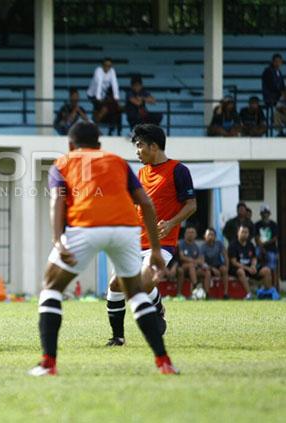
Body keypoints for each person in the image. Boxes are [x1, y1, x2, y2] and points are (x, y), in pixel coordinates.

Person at [30, 122, 178, 377]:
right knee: (135, 293)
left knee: (50, 288)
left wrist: (57, 240)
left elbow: (57, 200)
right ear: (99, 145)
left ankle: (48, 363)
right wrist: (155, 249)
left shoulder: (64, 162)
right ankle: (164, 362)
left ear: (70, 144)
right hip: (127, 229)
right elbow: (145, 202)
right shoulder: (118, 161)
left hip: (84, 226)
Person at [105, 124, 196, 346]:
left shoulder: (178, 170)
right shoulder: (141, 173)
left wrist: (173, 222)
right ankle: (118, 338)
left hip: (162, 244)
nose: (137, 151)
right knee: (116, 286)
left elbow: (192, 204)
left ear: (153, 146)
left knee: (140, 285)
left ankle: (156, 307)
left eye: (139, 146)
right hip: (135, 242)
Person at [228, 225, 276, 299]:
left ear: (248, 234)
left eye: (246, 232)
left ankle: (267, 293)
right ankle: (249, 294)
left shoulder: (250, 245)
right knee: (241, 271)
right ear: (238, 233)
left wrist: (253, 266)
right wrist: (248, 268)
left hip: (250, 267)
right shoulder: (232, 245)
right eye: (242, 232)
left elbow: (254, 258)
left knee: (266, 270)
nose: (244, 234)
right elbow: (234, 262)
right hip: (237, 268)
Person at [176, 227, 211, 297]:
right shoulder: (181, 243)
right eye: (188, 232)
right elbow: (182, 257)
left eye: (192, 232)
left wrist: (197, 262)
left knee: (207, 272)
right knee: (191, 265)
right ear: (185, 234)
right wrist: (194, 261)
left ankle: (207, 294)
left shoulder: (196, 246)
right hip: (182, 267)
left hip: (193, 269)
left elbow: (201, 260)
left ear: (196, 235)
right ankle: (195, 286)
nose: (190, 234)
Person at [254, 204, 279, 292]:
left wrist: (264, 244)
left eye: (266, 212)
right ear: (260, 214)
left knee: (273, 267)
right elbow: (256, 237)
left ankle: (275, 288)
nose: (265, 214)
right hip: (259, 248)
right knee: (257, 265)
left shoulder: (274, 224)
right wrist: (262, 248)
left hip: (271, 249)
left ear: (269, 213)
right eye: (263, 213)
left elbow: (275, 238)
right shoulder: (257, 224)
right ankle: (262, 286)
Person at [200, 228, 229, 298]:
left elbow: (225, 256)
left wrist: (227, 267)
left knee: (224, 269)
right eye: (209, 235)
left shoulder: (219, 244)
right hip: (208, 267)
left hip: (219, 265)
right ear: (205, 236)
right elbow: (202, 262)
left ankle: (225, 293)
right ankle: (207, 294)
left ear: (215, 236)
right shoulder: (202, 247)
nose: (210, 236)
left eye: (212, 235)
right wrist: (212, 269)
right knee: (208, 273)